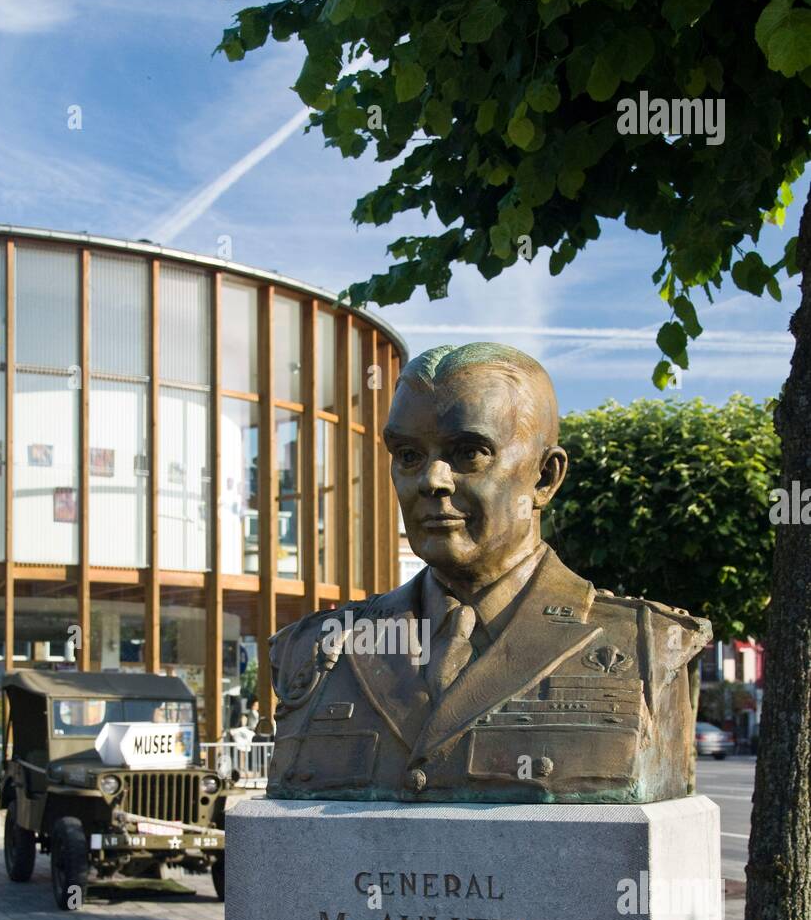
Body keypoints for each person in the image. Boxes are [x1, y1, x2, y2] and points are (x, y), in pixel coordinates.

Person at [267, 343, 711, 804]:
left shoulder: (646, 645)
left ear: (544, 478)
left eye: (469, 452)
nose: (432, 480)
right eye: (408, 455)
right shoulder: (316, 651)